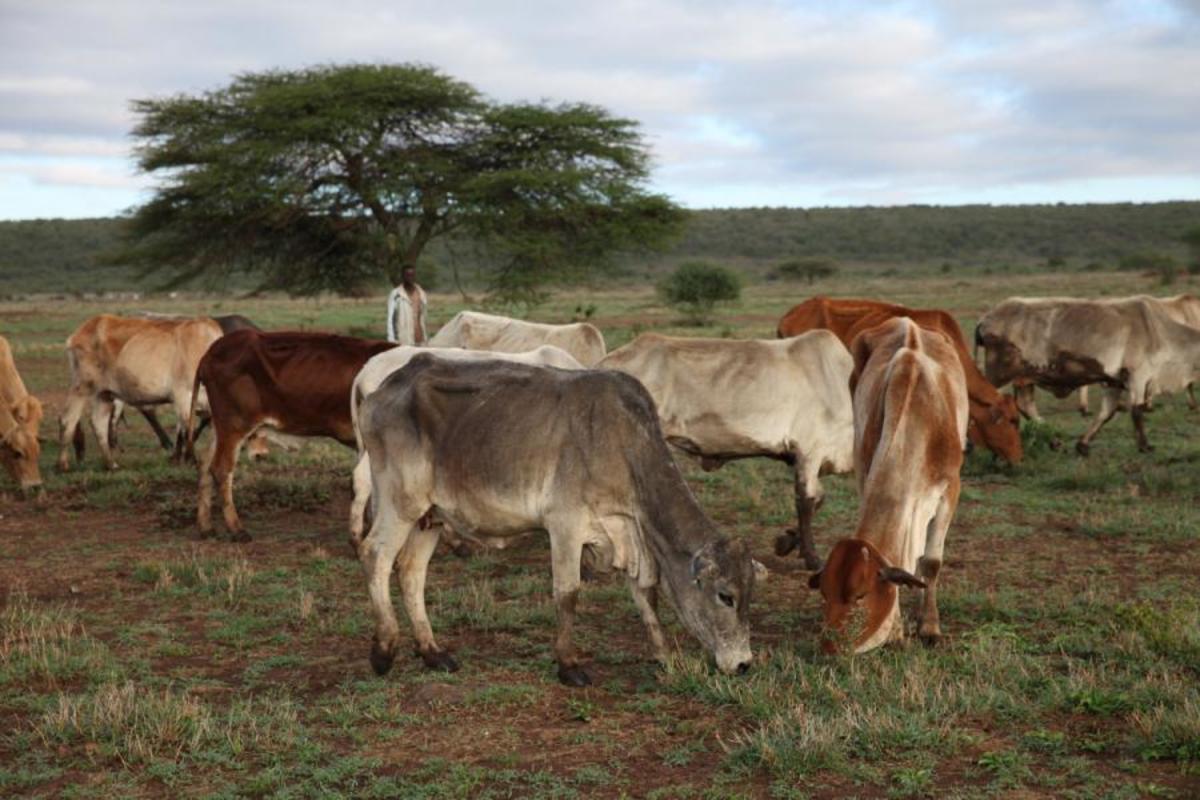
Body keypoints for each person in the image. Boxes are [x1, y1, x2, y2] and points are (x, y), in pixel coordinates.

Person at [385, 266, 428, 345]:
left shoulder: (421, 294)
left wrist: (425, 337)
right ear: (402, 276)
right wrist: (391, 339)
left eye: (412, 275)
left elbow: (423, 317)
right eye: (407, 275)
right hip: (403, 339)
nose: (410, 278)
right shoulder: (396, 294)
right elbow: (390, 318)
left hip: (420, 339)